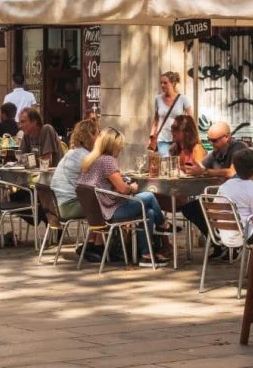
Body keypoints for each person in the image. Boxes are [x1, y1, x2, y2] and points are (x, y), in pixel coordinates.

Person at [78, 128, 170, 266]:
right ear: (113, 145)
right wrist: (132, 187)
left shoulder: (90, 160)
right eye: (120, 144)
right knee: (149, 196)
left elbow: (103, 185)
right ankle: (163, 224)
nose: (121, 147)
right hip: (112, 211)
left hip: (97, 212)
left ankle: (146, 255)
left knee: (149, 212)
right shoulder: (108, 161)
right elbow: (123, 189)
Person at [50, 119, 99, 220]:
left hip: (55, 205)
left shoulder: (71, 153)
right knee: (109, 207)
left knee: (99, 204)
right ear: (91, 136)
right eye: (98, 135)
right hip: (69, 206)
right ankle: (109, 236)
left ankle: (95, 236)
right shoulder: (86, 157)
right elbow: (99, 184)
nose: (100, 139)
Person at [214, 148, 253, 246]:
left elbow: (215, 210)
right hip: (244, 235)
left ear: (235, 169)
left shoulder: (224, 186)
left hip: (222, 234)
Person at [149, 71, 193, 158]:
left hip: (178, 139)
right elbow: (156, 119)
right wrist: (151, 137)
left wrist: (189, 136)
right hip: (162, 138)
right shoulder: (157, 99)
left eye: (165, 83)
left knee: (177, 164)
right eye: (161, 83)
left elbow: (191, 119)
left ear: (172, 83)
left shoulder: (183, 99)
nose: (162, 85)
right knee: (165, 162)